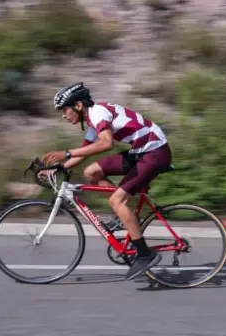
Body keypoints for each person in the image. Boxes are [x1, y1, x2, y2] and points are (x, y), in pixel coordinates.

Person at [42, 82, 172, 281]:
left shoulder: (97, 113)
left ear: (78, 105)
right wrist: (58, 168)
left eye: (65, 109)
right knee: (92, 172)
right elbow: (85, 152)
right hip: (142, 151)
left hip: (154, 153)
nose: (63, 115)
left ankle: (145, 255)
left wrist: (66, 153)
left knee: (116, 201)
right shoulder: (93, 119)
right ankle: (125, 219)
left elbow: (106, 143)